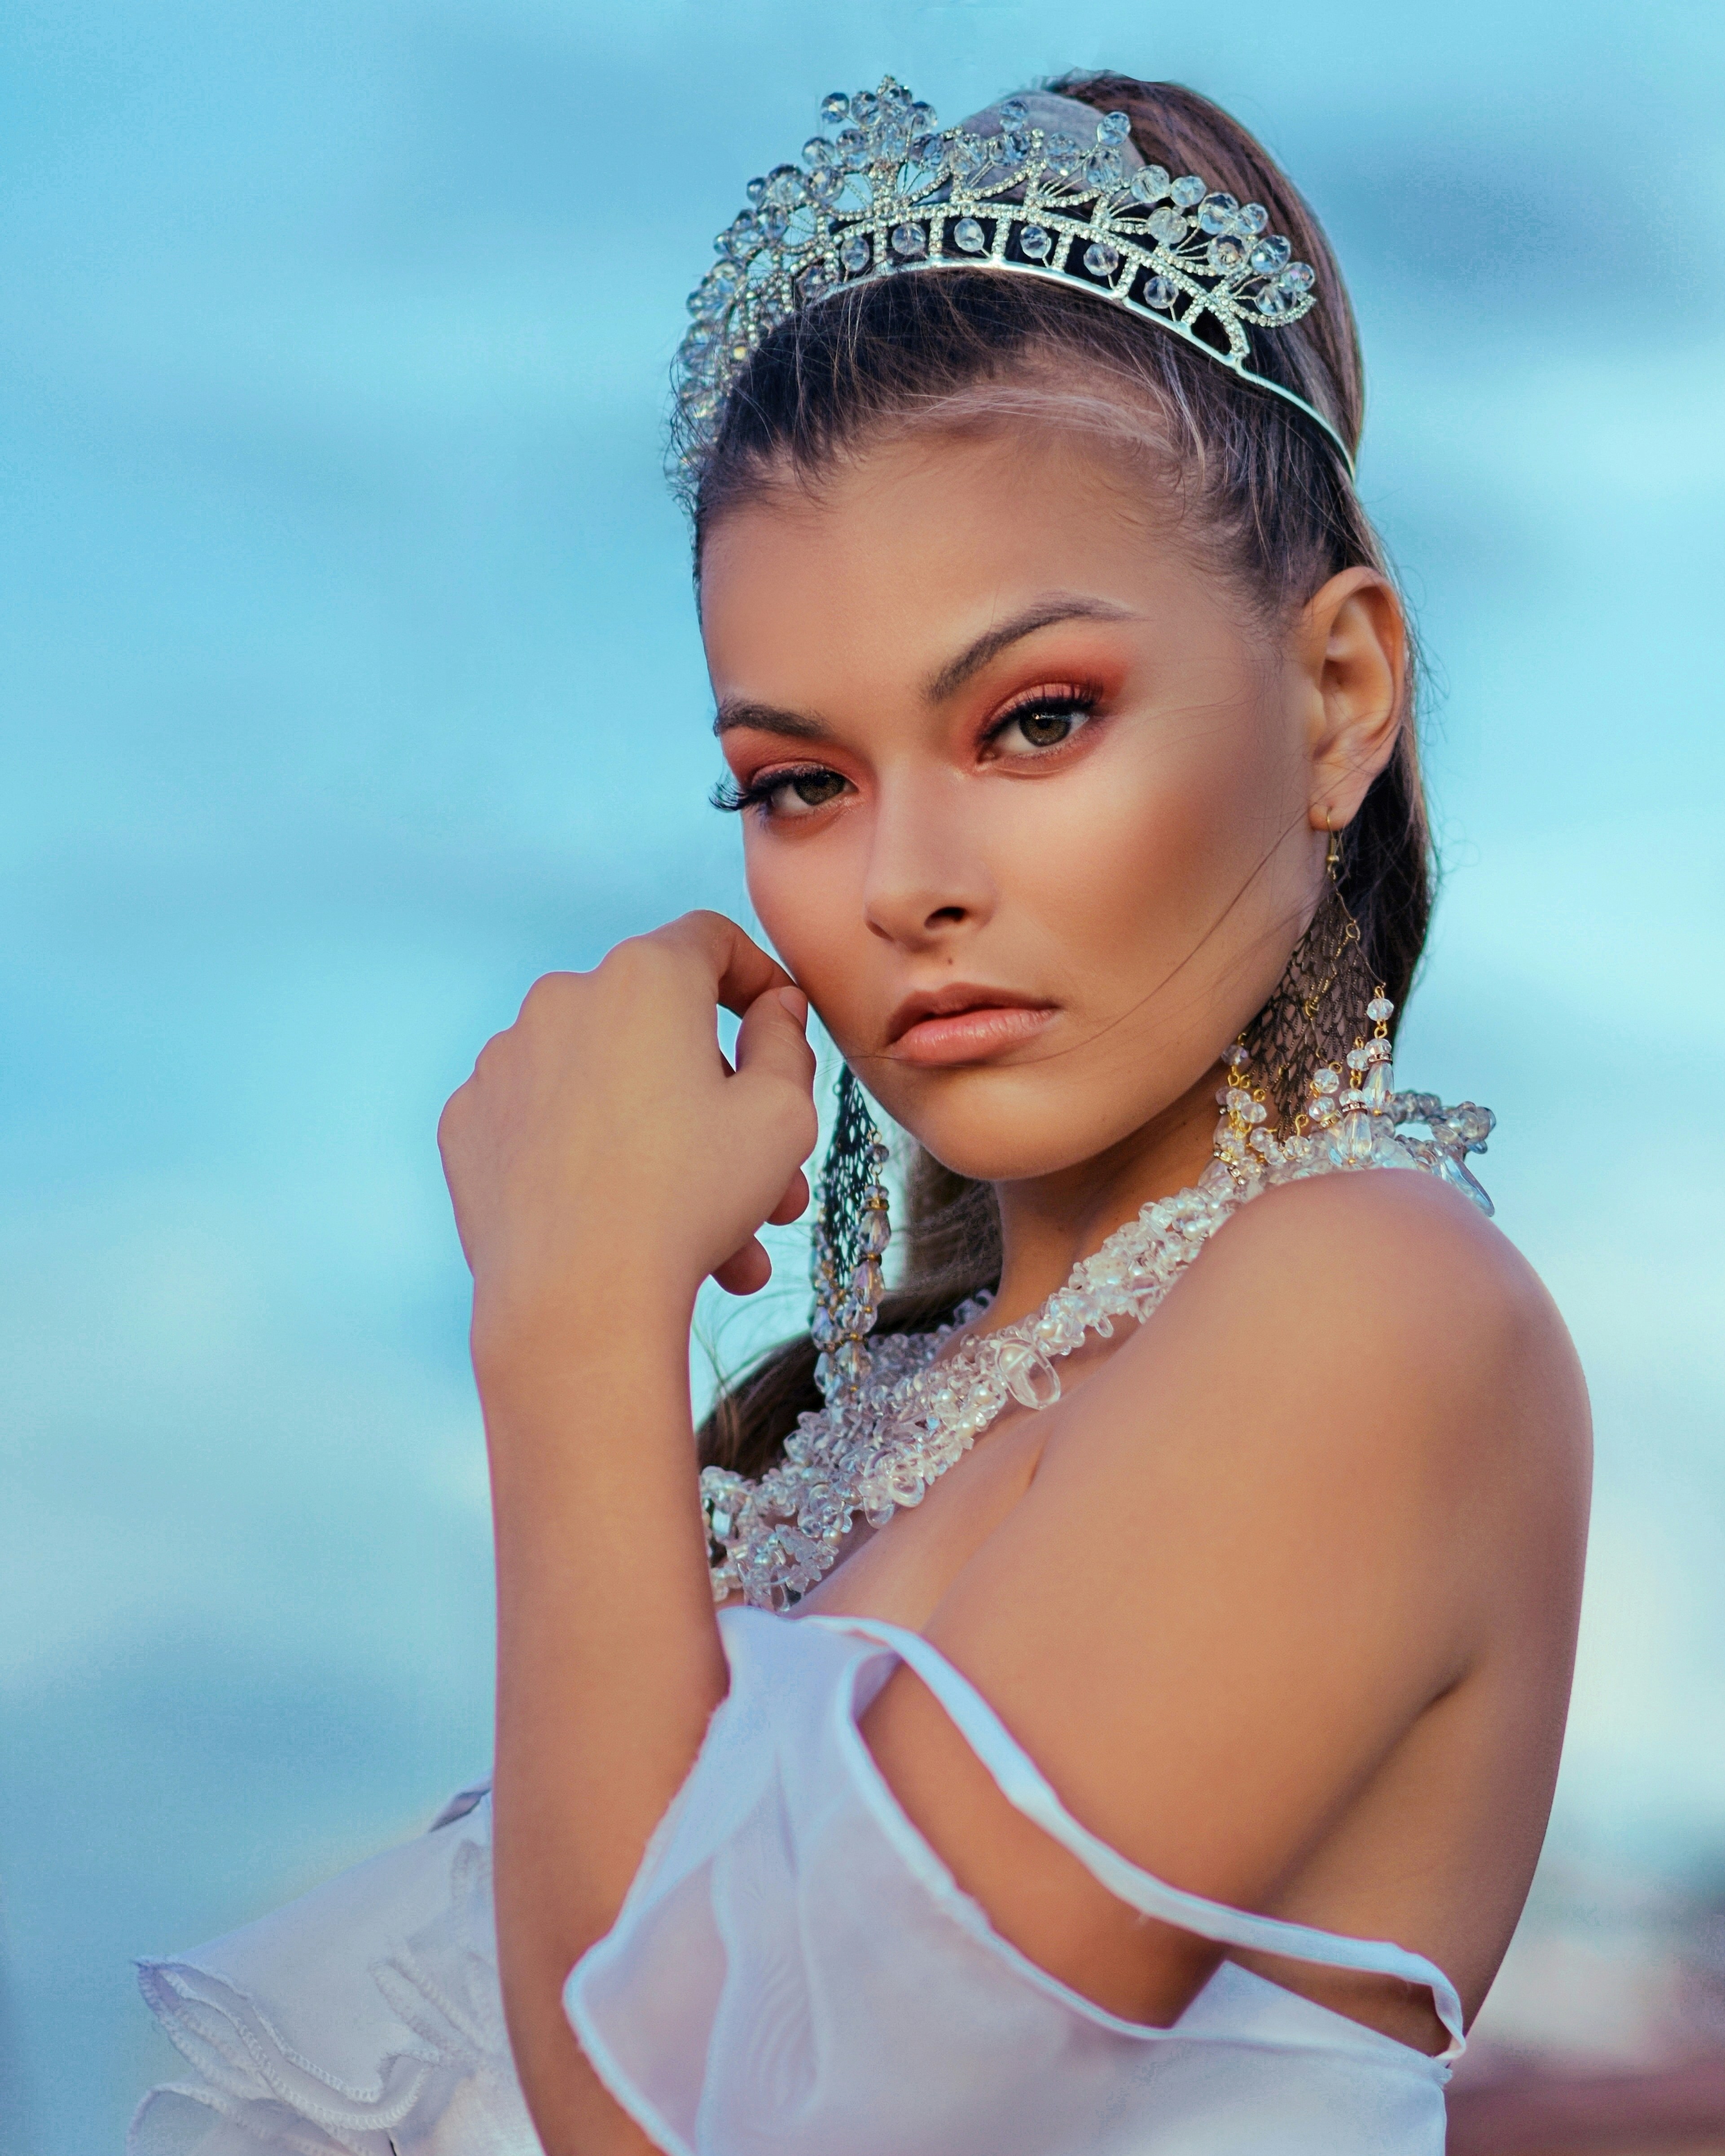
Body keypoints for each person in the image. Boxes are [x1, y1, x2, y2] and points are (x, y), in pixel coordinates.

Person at [132, 73, 1591, 2156]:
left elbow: (695, 2126)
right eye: (800, 782)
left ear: (1338, 693)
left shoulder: (1369, 1307)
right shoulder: (888, 1419)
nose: (904, 882)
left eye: (1035, 720)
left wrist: (567, 1311)